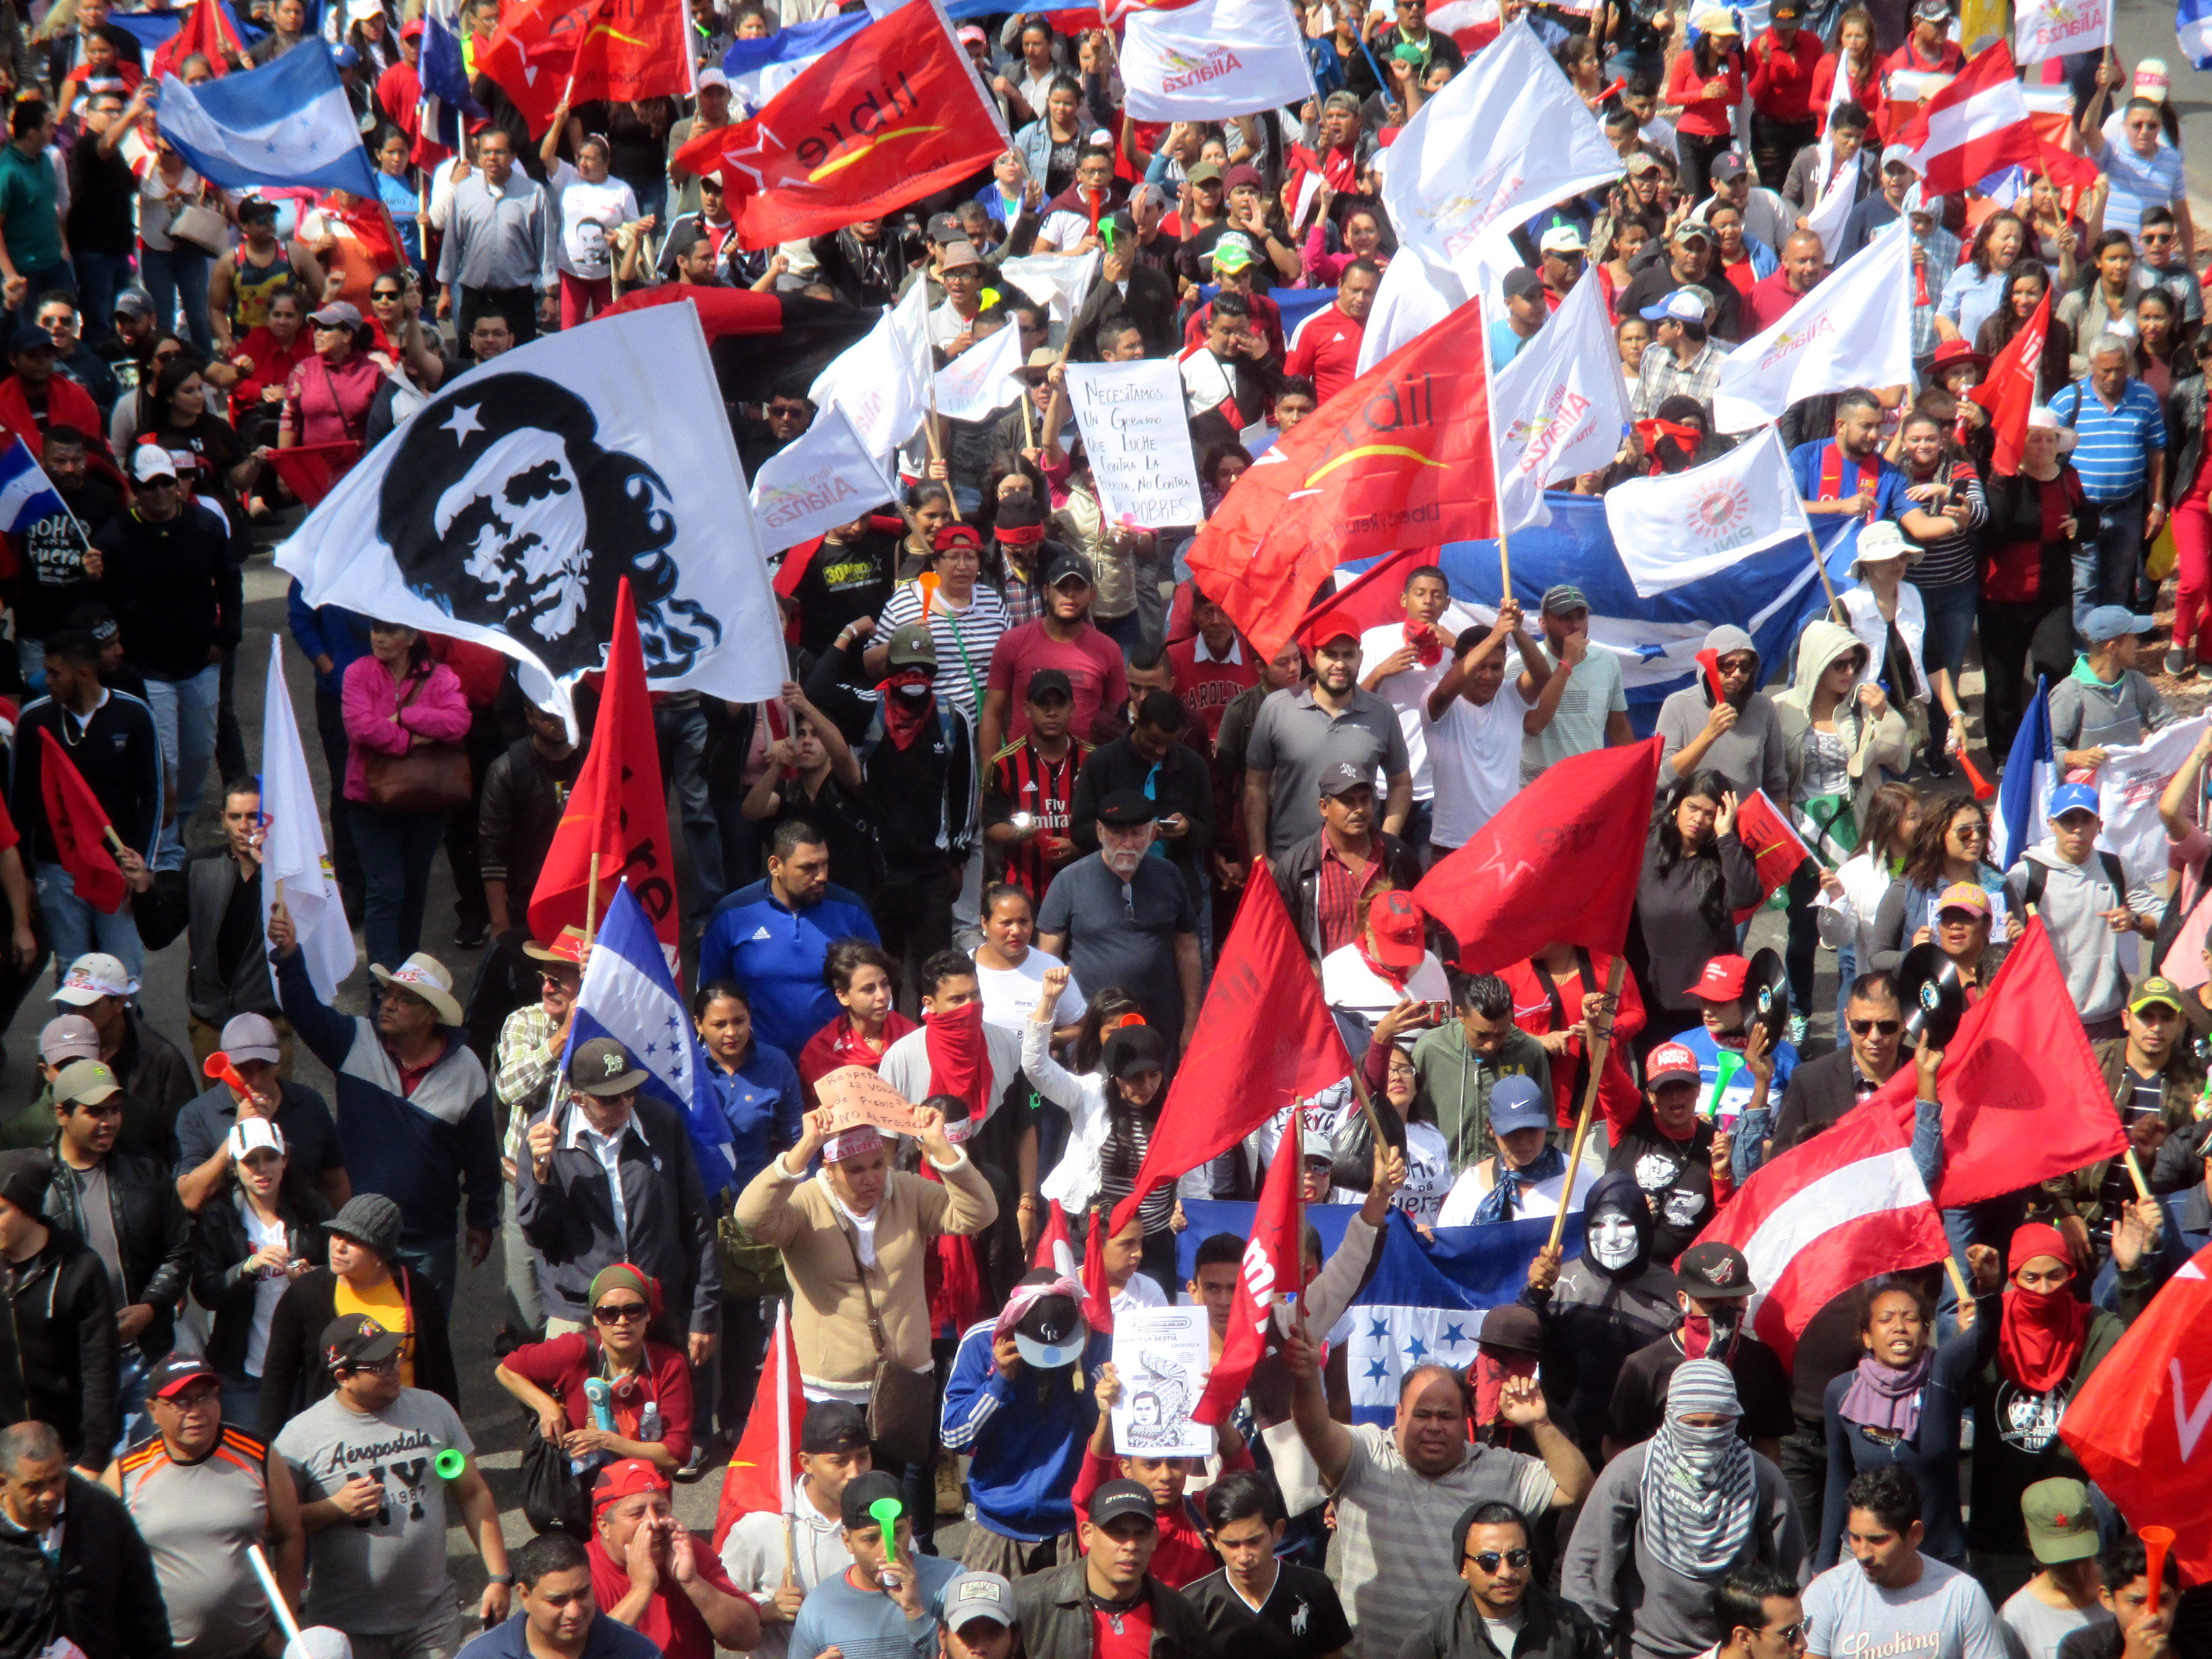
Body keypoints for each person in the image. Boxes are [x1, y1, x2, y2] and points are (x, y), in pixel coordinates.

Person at [1282, 1318, 1590, 1659]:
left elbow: (1578, 1489)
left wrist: (1539, 1424)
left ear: (1464, 1420)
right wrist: (1307, 1376)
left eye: (1446, 1416)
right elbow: (1313, 1426)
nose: (1434, 1426)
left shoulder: (1501, 1469)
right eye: (1422, 1414)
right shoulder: (1364, 1455)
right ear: (1398, 1414)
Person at [270, 906, 497, 1301]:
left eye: (404, 998)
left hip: (427, 1242)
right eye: (388, 993)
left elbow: (481, 1155)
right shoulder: (355, 1039)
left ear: (431, 1015)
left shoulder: (467, 1071)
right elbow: (304, 1013)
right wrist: (290, 956)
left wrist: (482, 1218)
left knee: (424, 1348)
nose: (388, 1003)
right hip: (357, 1236)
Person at [735, 1103, 996, 1425]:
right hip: (829, 1390)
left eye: (877, 1165)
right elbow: (750, 1216)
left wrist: (940, 1146)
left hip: (906, 1379)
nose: (870, 1179)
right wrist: (804, 1148)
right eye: (855, 1170)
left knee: (903, 1477)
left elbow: (980, 1213)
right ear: (829, 1169)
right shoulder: (806, 1203)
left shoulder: (907, 1191)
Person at [273, 1315, 510, 1658]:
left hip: (431, 1620)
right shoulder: (300, 1438)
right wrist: (334, 1508)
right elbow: (273, 1527)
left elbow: (473, 1494)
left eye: (395, 1356)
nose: (394, 1368)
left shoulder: (433, 1410)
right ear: (343, 1377)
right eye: (379, 1365)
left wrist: (499, 1576)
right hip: (346, 1629)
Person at [1562, 1361, 1805, 1659]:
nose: (1706, 1435)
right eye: (1694, 1424)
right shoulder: (1632, 1473)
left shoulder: (1759, 1476)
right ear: (1670, 1417)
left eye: (1718, 1424)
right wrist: (1590, 1648)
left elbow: (1792, 1569)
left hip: (1732, 1650)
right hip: (1645, 1649)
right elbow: (1588, 1569)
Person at [1942, 1229, 2124, 1603]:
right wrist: (1969, 1345)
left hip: (2071, 1521)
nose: (2043, 1289)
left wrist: (2133, 1270)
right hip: (2000, 1522)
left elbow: (2139, 1349)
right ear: (2013, 1278)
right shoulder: (1987, 1328)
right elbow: (1950, 1400)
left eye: (2055, 1276)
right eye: (2031, 1277)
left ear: (2072, 1274)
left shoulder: (2095, 1328)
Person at [514, 1038, 718, 1356]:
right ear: (578, 1099)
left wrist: (703, 1314)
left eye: (630, 1091)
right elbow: (537, 1234)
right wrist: (542, 1178)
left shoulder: (661, 1123)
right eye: (609, 1098)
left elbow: (697, 1221)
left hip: (657, 1308)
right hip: (581, 1312)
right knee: (582, 1406)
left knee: (670, 1404)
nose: (624, 1103)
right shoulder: (547, 1135)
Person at [87, 441, 238, 869]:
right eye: (149, 486)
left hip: (200, 663)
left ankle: (180, 822)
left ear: (179, 485)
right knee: (164, 758)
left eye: (166, 484)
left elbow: (229, 582)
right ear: (134, 489)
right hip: (149, 670)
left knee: (199, 753)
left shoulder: (206, 526)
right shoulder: (113, 539)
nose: (159, 493)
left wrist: (227, 638)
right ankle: (167, 852)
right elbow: (102, 604)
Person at [111, 1352, 306, 1659]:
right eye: (181, 1401)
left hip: (251, 1649)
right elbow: (107, 1565)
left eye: (205, 1397)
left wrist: (285, 1626)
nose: (196, 1412)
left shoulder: (259, 1455)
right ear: (152, 1410)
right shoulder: (125, 1472)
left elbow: (290, 1535)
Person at [41, 1053, 191, 1441]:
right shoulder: (36, 1185)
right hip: (73, 1368)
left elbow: (178, 1250)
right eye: (95, 1112)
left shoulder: (145, 1168)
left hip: (144, 1357)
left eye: (115, 1110)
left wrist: (151, 1306)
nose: (109, 1122)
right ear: (62, 1113)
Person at [1025, 968, 1200, 1294]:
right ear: (1116, 1075)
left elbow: (1193, 1179)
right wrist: (1049, 1000)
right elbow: (1036, 1067)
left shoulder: (1175, 1106)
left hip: (1153, 1241)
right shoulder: (1089, 1092)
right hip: (1093, 1237)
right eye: (1136, 1078)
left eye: (1154, 1075)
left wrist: (1187, 1208)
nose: (1146, 1086)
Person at [940, 1268, 1109, 1576]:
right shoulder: (980, 1343)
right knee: (986, 1622)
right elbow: (954, 1436)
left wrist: (1081, 1365)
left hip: (1072, 1527)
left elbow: (1110, 1438)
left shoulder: (1097, 1343)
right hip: (998, 1528)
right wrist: (999, 1383)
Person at [253, 1192, 460, 1438]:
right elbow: (277, 1381)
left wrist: (453, 1438)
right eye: (337, 1234)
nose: (338, 1247)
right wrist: (266, 1452)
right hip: (334, 1441)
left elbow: (442, 1375)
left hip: (411, 1434)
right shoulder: (305, 1294)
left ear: (380, 1254)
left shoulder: (417, 1291)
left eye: (354, 1240)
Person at [340, 620, 472, 974]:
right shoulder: (358, 672)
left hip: (425, 801)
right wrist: (411, 741)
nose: (379, 637)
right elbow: (360, 726)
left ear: (412, 637)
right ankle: (382, 983)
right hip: (368, 800)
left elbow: (458, 722)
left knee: (414, 890)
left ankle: (406, 979)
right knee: (386, 889)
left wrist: (407, 716)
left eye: (390, 630)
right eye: (375, 628)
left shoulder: (440, 676)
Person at [495, 1258, 694, 1491]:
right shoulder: (575, 1350)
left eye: (633, 1310)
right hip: (575, 1494)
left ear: (649, 1314)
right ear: (595, 1318)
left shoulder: (669, 1364)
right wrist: (545, 1406)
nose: (622, 1321)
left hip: (642, 1498)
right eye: (608, 1313)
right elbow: (507, 1369)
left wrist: (607, 1441)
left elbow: (674, 1456)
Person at [698, 823, 882, 1061]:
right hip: (759, 1069)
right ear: (775, 866)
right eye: (808, 868)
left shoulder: (851, 910)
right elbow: (710, 999)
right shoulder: (732, 914)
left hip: (840, 1066)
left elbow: (879, 991)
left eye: (824, 863)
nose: (821, 876)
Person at [188, 1118, 329, 1427]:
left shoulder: (311, 1209)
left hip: (302, 1369)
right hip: (243, 1371)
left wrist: (313, 1277)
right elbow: (206, 1291)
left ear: (285, 1159)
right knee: (254, 1460)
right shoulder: (219, 1216)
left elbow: (339, 1273)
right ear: (234, 1166)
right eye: (250, 1160)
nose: (262, 1169)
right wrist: (248, 1267)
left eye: (270, 1157)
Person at [1036, 792, 1200, 1050]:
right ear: (1100, 832)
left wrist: (1192, 1022)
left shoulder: (1170, 876)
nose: (1127, 843)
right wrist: (1049, 1026)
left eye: (1136, 834)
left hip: (1159, 1026)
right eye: (1117, 833)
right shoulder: (1069, 881)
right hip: (1091, 1028)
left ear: (1153, 835)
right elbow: (1047, 960)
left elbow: (1188, 948)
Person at [1244, 615, 1413, 864]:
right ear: (1312, 658)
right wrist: (1260, 856)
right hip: (1289, 865)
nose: (1340, 664)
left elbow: (1400, 784)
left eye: (1348, 655)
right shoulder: (1277, 708)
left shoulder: (1381, 713)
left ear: (1361, 658)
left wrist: (1385, 843)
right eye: (1330, 654)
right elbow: (1255, 786)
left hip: (1361, 865)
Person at [1607, 1241, 1793, 1464]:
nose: (1726, 1311)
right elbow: (1617, 1447)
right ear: (1684, 1300)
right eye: (1712, 1302)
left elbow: (1768, 1444)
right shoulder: (1646, 1366)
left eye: (1735, 1300)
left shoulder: (1762, 1362)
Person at [715, 1400, 874, 1659]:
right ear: (806, 1462)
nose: (855, 1473)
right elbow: (720, 1612)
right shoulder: (763, 1524)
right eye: (839, 1462)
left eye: (863, 1457)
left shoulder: (886, 1515)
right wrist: (767, 1611)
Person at [0, 1419, 170, 1659]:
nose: (48, 1495)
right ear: (3, 1484)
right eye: (33, 1486)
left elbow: (144, 1611)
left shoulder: (102, 1513)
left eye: (56, 1479)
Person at [1999, 785, 2160, 1038]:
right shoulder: (2025, 875)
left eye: (2085, 820)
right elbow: (1996, 940)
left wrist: (2136, 921)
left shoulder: (2117, 869)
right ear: (2051, 824)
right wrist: (2014, 937)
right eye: (2067, 820)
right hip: (2045, 1019)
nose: (2077, 829)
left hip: (2105, 1019)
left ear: (2100, 825)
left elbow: (2165, 922)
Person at [1803, 1467, 2009, 1659]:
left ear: (1915, 1534)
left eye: (1878, 1540)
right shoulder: (1827, 1594)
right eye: (1856, 1538)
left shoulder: (1962, 1595)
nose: (1863, 1554)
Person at [1007, 1477, 1223, 1658]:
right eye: (1117, 1533)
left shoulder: (1180, 1616)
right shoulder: (1027, 1602)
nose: (1130, 1546)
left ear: (1155, 1539)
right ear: (1087, 1534)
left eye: (1141, 1534)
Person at [0, 1149, 118, 1470]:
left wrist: (94, 1459)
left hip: (68, 1451)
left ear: (28, 1211)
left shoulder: (80, 1269)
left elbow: (99, 1370)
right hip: (6, 1455)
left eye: (1, 1211)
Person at [1629, 775, 1763, 1050]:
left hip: (1709, 1004)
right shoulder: (1645, 847)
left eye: (1709, 813)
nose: (1698, 819)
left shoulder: (1729, 854)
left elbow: (1746, 897)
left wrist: (1726, 836)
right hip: (1650, 996)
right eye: (1692, 807)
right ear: (1677, 805)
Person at [2047, 339, 2167, 632]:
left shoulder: (2144, 398)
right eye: (2105, 371)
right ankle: (2083, 659)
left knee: (2118, 588)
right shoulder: (2068, 401)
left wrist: (2158, 503)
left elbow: (2157, 451)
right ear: (2092, 367)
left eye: (2119, 369)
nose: (2113, 377)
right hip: (2082, 512)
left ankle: (2110, 656)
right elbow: (2042, 445)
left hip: (2127, 510)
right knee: (2084, 587)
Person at [586, 1458, 759, 1658]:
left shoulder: (689, 1551)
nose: (653, 1522)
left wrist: (692, 1582)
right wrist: (642, 1589)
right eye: (637, 1514)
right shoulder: (581, 1571)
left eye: (660, 1510)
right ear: (604, 1526)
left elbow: (749, 1637)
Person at [1398, 1498, 1611, 1659]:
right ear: (1463, 1567)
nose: (1505, 1572)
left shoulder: (1571, 1626)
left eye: (1517, 1558)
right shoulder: (1433, 1639)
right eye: (1489, 1562)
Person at [783, 1469, 960, 1656]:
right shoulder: (818, 1606)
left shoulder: (951, 1582)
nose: (887, 1550)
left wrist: (915, 1611)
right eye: (871, 1539)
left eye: (897, 1532)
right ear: (847, 1541)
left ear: (910, 1526)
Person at [1182, 1469, 1352, 1659]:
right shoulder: (1194, 1606)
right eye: (1232, 1544)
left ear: (1277, 1531)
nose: (1244, 1557)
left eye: (1254, 1541)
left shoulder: (1315, 1589)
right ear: (1214, 1540)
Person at [1275, 764, 1425, 964]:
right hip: (1326, 989)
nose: (1359, 810)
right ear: (1324, 808)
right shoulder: (1294, 867)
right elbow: (1281, 939)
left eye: (1364, 800)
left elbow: (1419, 923)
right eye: (1348, 802)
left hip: (1390, 984)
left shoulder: (1398, 856)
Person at [1408, 972, 1551, 1175]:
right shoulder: (1432, 1049)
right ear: (1460, 1014)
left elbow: (1547, 1125)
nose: (1491, 1044)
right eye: (1481, 1034)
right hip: (1444, 1178)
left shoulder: (1528, 1051)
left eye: (1502, 1033)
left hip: (1507, 1178)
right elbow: (1412, 1120)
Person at [1606, 1043, 1731, 1266]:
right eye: (1665, 1088)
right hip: (1618, 1262)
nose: (1675, 1096)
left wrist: (1722, 1177)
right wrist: (1600, 1041)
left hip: (1678, 1275)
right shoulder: (1632, 1123)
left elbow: (1724, 1223)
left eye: (1684, 1086)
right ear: (1650, 1095)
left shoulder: (1714, 1142)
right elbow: (1608, 1079)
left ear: (1698, 1089)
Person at [453, 1532, 661, 1659]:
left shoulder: (638, 1652)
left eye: (583, 1594)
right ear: (525, 1596)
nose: (574, 1611)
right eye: (558, 1600)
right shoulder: (483, 1655)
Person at [438, 128, 556, 348]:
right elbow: (451, 245)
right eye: (487, 152)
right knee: (471, 367)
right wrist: (445, 291)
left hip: (516, 299)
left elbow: (546, 247)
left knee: (519, 367)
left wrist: (551, 295)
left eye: (500, 152)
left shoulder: (533, 193)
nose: (492, 158)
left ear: (513, 156)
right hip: (475, 297)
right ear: (479, 155)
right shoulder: (464, 192)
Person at [1771, 972, 1908, 1154]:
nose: (1874, 1037)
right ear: (1847, 1021)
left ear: (1905, 1022)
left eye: (1887, 1027)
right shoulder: (1808, 1082)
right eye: (1862, 1026)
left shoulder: (1928, 1076)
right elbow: (1782, 1163)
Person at [1436, 1075, 1599, 1225]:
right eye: (1511, 1132)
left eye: (1531, 1129)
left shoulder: (1576, 1176)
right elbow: (1446, 1248)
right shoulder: (1470, 1187)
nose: (1523, 1141)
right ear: (1491, 1128)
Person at [1656, 627, 1789, 801]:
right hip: (1693, 824)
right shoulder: (1678, 705)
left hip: (1743, 823)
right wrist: (1710, 733)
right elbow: (1662, 779)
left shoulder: (1764, 708)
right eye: (1727, 665)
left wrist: (1781, 827)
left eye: (1745, 666)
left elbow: (1777, 785)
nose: (1737, 674)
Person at [1520, 585, 1633, 783]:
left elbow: (1618, 727)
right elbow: (1532, 725)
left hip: (1586, 789)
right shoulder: (1522, 662)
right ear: (1543, 624)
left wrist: (1635, 778)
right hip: (1534, 790)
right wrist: (1568, 662)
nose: (1575, 626)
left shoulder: (1607, 661)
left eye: (1581, 616)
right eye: (1564, 617)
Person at [2001, 1480, 2111, 1659]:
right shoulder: (2016, 1618)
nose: (2078, 1571)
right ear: (2030, 1541)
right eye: (2061, 1562)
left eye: (2082, 1556)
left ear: (2097, 1527)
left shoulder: (2126, 1592)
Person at [2048, 606, 2172, 764]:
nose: (2137, 644)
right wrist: (2074, 757)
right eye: (2133, 638)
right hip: (2089, 787)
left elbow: (2168, 724)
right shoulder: (2070, 693)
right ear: (2112, 647)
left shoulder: (2136, 682)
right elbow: (2048, 748)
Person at [2053, 1536, 2179, 1659]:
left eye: (2163, 1601)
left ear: (2177, 1596)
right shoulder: (2081, 1648)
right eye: (2136, 1602)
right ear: (2107, 1599)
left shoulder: (2194, 1646)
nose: (2151, 1614)